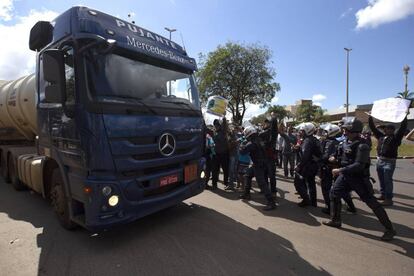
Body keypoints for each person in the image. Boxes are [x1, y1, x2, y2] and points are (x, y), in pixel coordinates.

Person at [324, 118, 396, 241]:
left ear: (354, 131)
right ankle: (335, 220)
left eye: (347, 130)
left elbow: (359, 165)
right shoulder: (344, 142)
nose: (344, 132)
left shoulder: (362, 145)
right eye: (344, 129)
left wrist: (340, 170)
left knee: (372, 203)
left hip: (359, 179)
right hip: (345, 177)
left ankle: (390, 229)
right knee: (334, 194)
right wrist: (333, 158)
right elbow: (338, 156)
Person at [369, 114, 408, 206]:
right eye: (386, 128)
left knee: (387, 180)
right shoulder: (381, 136)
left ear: (393, 130)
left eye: (390, 129)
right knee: (381, 179)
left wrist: (404, 116)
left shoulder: (396, 138)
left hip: (389, 161)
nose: (387, 130)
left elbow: (403, 127)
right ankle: (383, 195)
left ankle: (389, 199)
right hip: (380, 160)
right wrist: (370, 117)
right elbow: (373, 128)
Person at [319, 124, 356, 215]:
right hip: (337, 168)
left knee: (326, 188)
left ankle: (329, 208)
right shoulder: (339, 142)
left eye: (327, 132)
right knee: (341, 189)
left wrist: (318, 158)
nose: (325, 133)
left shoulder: (330, 142)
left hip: (329, 168)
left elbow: (326, 156)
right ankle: (351, 207)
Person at [239, 126, 276, 211]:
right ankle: (246, 194)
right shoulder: (259, 139)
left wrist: (242, 144)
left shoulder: (251, 143)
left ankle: (271, 202)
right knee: (248, 175)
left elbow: (242, 152)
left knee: (262, 184)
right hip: (262, 163)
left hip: (258, 165)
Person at [294, 122, 321, 207]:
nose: (300, 132)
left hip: (308, 165)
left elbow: (305, 156)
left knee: (298, 182)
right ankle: (313, 202)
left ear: (307, 131)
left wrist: (299, 166)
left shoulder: (307, 141)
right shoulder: (313, 139)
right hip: (313, 165)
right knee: (311, 183)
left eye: (302, 131)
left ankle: (306, 200)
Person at [259, 118, 278, 198]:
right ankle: (267, 190)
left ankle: (272, 191)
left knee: (270, 175)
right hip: (266, 156)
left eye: (267, 123)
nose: (265, 124)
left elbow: (260, 135)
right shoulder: (268, 131)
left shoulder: (270, 132)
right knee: (266, 174)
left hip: (269, 156)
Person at [211, 118, 230, 190]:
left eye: (217, 125)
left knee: (225, 169)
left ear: (220, 125)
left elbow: (225, 124)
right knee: (215, 170)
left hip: (224, 154)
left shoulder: (224, 132)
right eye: (215, 125)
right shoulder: (214, 133)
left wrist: (224, 118)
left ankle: (226, 183)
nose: (216, 126)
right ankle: (214, 184)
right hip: (216, 154)